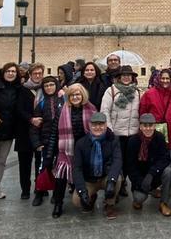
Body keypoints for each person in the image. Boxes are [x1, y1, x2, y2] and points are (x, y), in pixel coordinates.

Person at [46, 84, 95, 218]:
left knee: (85, 176)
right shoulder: (62, 111)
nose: (75, 97)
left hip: (84, 150)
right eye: (72, 95)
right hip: (66, 150)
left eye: (77, 94)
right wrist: (49, 155)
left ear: (83, 95)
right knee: (61, 177)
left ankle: (89, 197)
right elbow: (53, 134)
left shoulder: (91, 110)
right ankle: (58, 203)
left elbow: (97, 131)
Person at [0, 62, 34, 202]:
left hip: (10, 130)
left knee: (2, 161)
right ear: (3, 72)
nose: (11, 73)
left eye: (13, 71)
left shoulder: (19, 89)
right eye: (8, 71)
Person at [71, 112, 122, 219]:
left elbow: (117, 161)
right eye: (94, 124)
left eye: (101, 124)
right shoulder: (81, 143)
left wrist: (111, 181)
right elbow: (77, 168)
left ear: (106, 125)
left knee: (117, 180)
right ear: (89, 125)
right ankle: (91, 196)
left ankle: (109, 204)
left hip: (105, 177)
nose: (98, 127)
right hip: (89, 179)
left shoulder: (113, 140)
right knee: (77, 201)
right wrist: (82, 191)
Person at [101, 66, 141, 197]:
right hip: (116, 133)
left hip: (133, 133)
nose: (126, 77)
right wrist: (110, 129)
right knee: (118, 161)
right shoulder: (111, 90)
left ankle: (124, 183)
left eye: (129, 75)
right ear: (119, 77)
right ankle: (118, 185)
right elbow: (105, 111)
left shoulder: (137, 92)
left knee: (130, 161)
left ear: (132, 77)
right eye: (123, 75)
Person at [125, 113, 171, 217]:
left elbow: (165, 158)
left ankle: (163, 203)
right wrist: (140, 182)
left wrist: (151, 174)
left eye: (150, 125)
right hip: (140, 177)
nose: (148, 128)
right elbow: (130, 166)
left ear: (154, 126)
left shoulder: (159, 137)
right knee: (139, 199)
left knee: (168, 171)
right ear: (140, 126)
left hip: (155, 174)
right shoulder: (133, 141)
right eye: (145, 125)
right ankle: (149, 191)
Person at [28, 74, 63, 206]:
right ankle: (39, 192)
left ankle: (56, 193)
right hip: (45, 141)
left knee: (58, 168)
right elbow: (35, 126)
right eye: (46, 85)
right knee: (43, 168)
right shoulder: (41, 104)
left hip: (60, 141)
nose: (49, 88)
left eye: (51, 85)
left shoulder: (63, 101)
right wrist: (37, 143)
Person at [140, 68, 171, 183]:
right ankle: (153, 182)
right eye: (163, 78)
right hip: (152, 131)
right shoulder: (149, 93)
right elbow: (143, 111)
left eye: (167, 78)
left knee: (168, 158)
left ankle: (165, 183)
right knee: (153, 157)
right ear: (158, 79)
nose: (165, 81)